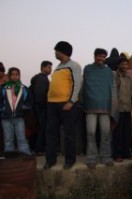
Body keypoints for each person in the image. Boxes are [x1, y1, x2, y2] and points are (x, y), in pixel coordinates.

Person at [44, 41, 82, 170]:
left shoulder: (74, 66)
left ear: (62, 52)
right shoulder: (58, 67)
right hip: (52, 104)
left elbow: (77, 84)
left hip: (66, 104)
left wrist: (71, 102)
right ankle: (50, 160)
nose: (55, 53)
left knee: (69, 134)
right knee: (51, 133)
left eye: (56, 51)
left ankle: (70, 160)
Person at [81, 48, 118, 168]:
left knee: (105, 133)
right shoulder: (88, 69)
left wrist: (113, 106)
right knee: (90, 132)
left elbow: (112, 89)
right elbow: (84, 86)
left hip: (105, 107)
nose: (101, 58)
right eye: (99, 56)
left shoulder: (109, 72)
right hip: (90, 106)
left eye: (103, 56)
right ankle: (91, 158)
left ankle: (106, 157)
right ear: (95, 56)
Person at [0, 67, 32, 154]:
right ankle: (9, 158)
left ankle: (25, 156)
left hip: (19, 116)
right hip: (6, 117)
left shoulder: (23, 88)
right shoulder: (3, 88)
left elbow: (29, 101)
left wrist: (24, 107)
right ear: (9, 76)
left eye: (16, 74)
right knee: (8, 139)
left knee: (21, 137)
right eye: (12, 75)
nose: (14, 77)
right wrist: (2, 109)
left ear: (19, 76)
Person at [113, 58, 132, 162]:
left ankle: (126, 153)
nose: (124, 66)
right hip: (118, 108)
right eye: (122, 64)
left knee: (127, 132)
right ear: (118, 65)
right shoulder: (114, 76)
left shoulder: (129, 78)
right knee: (118, 132)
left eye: (126, 64)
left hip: (128, 108)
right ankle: (117, 154)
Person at [30, 61, 52, 153]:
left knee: (42, 127)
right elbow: (40, 94)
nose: (50, 69)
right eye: (48, 67)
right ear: (42, 68)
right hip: (41, 107)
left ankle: (39, 148)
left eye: (50, 67)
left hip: (39, 107)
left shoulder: (42, 78)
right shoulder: (42, 78)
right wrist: (44, 105)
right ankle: (40, 149)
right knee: (42, 128)